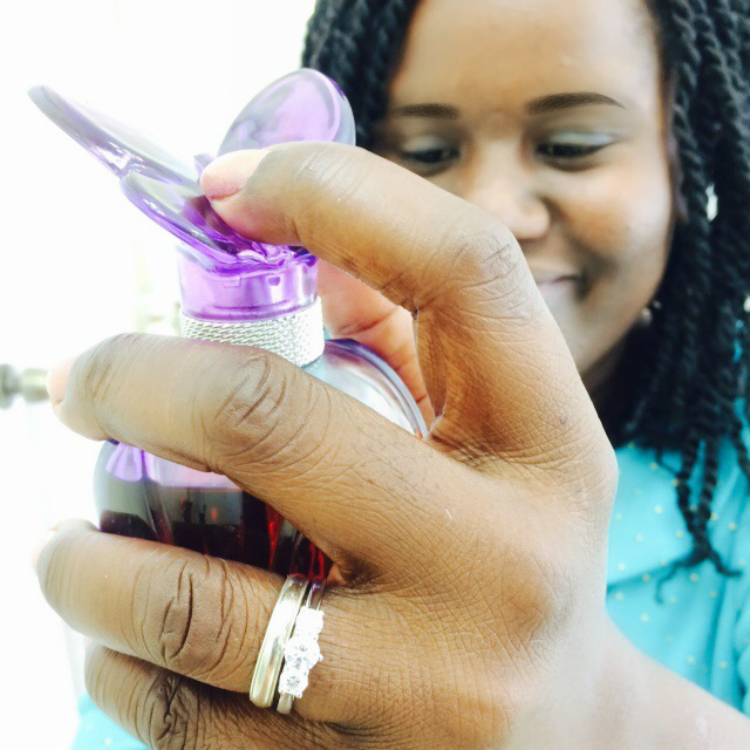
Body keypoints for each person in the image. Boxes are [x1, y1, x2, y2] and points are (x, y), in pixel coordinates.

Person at [34, 0, 750, 747]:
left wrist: (592, 708)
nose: (493, 211)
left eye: (570, 146)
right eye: (427, 151)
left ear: (690, 150)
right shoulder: (247, 447)